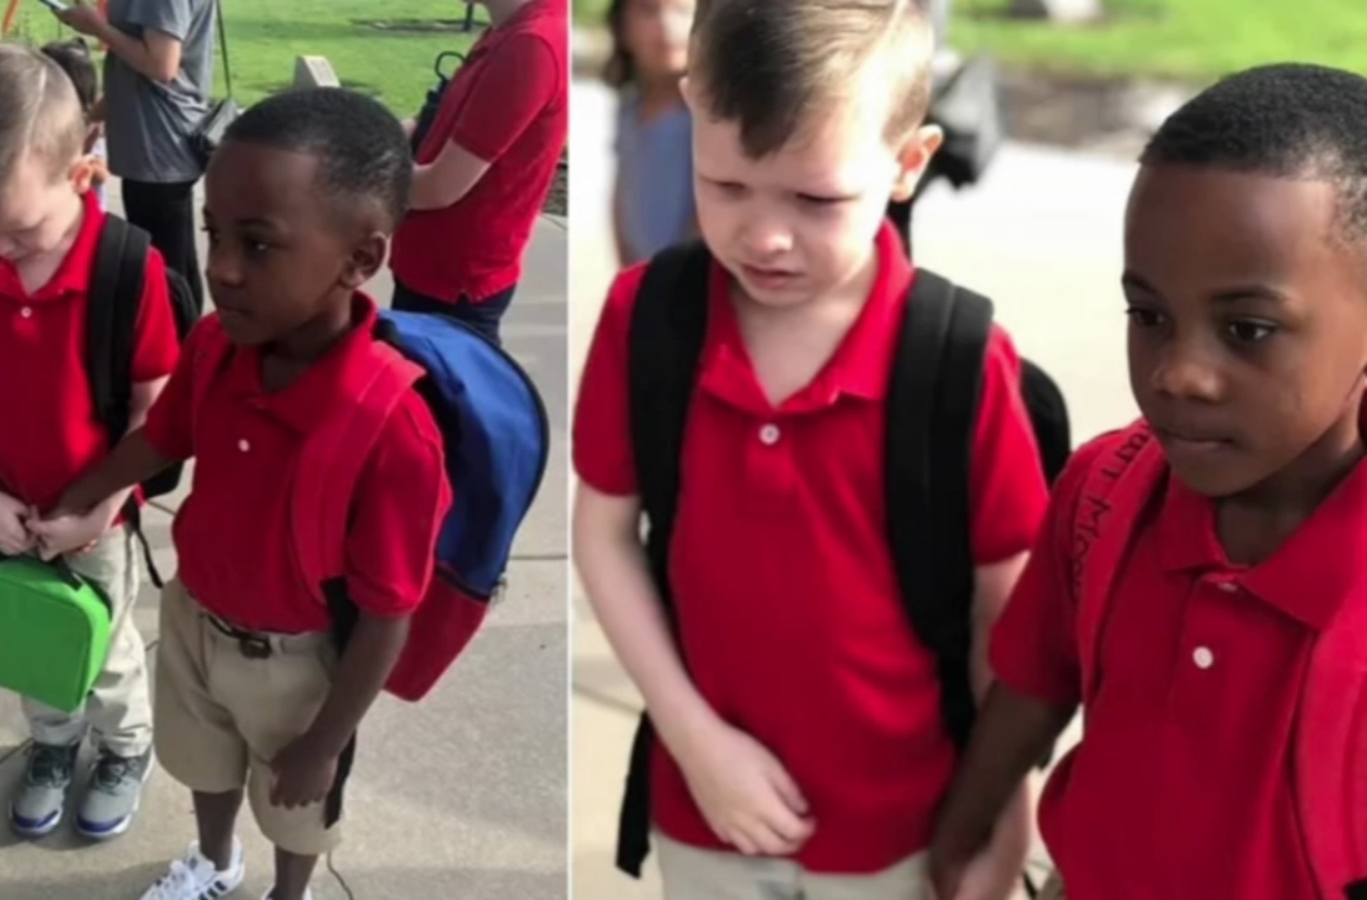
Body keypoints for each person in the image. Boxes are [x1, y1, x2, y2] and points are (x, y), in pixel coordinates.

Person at [572, 1, 1048, 898]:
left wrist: (998, 803)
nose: (765, 235)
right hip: (706, 809)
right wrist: (693, 738)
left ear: (909, 164)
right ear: (689, 116)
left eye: (816, 198)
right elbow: (602, 533)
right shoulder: (649, 320)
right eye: (726, 185)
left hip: (907, 825)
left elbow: (1004, 607)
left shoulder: (956, 361)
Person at [930, 63, 1367, 900]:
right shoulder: (1106, 490)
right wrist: (962, 831)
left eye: (1248, 329)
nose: (1177, 374)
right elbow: (1034, 682)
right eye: (1149, 315)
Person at [41, 88, 452, 900]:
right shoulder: (218, 346)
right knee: (204, 763)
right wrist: (75, 497)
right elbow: (163, 439)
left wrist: (327, 739)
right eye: (215, 234)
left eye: (258, 245)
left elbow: (388, 613)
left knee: (297, 806)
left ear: (360, 260)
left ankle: (287, 891)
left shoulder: (391, 427)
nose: (222, 267)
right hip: (196, 618)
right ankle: (215, 860)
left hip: (298, 669)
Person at [0, 42, 179, 842]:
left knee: (103, 645)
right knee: (30, 635)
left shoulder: (128, 268)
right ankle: (54, 743)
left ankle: (126, 745)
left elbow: (153, 408)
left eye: (18, 231)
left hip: (94, 511)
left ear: (80, 168)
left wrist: (102, 508)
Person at [387, 0, 568, 345]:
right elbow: (431, 120)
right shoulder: (509, 28)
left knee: (444, 394)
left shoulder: (532, 45)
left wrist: (344, 179)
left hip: (454, 283)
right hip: (432, 268)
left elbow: (438, 187)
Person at [56, 0, 215, 315]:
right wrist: (94, 116)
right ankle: (186, 345)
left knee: (165, 268)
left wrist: (97, 26)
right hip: (156, 142)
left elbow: (161, 65)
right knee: (173, 260)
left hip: (159, 143)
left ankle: (178, 350)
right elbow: (133, 65)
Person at [605, 0, 696, 266]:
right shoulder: (629, 107)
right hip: (644, 272)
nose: (665, 26)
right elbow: (623, 191)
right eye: (648, 10)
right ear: (622, 27)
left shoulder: (709, 114)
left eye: (682, 12)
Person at [40, 37, 110, 211]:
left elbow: (101, 174)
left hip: (85, 212)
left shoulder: (90, 123)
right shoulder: (42, 119)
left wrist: (79, 160)